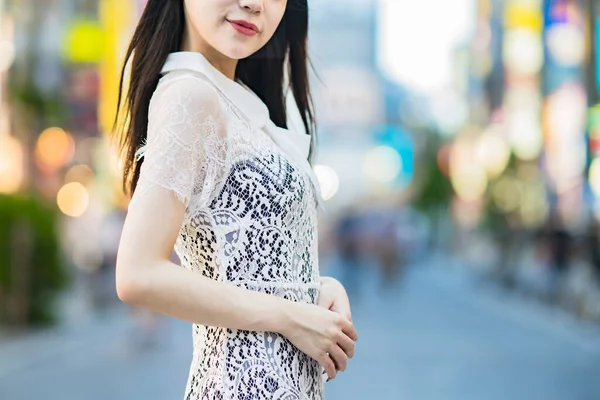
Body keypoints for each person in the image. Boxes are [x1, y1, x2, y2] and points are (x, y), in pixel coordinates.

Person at [112, 1, 358, 399]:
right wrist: (290, 316)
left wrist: (314, 289)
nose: (253, 4)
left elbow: (244, 262)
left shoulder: (238, 101)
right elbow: (138, 273)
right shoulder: (190, 95)